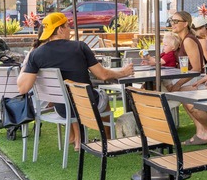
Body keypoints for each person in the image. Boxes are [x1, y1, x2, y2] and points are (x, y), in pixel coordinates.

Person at [17, 12, 134, 151]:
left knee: (75, 97)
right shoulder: (80, 47)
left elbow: (23, 88)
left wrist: (26, 65)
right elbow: (103, 75)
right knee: (103, 96)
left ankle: (78, 137)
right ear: (60, 30)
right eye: (67, 26)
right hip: (87, 105)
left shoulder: (36, 54)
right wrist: (123, 72)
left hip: (62, 109)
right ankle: (107, 140)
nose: (70, 30)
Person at [165, 11, 207, 145]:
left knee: (179, 92)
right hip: (188, 78)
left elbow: (196, 69)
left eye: (176, 21)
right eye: (172, 20)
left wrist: (178, 84)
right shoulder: (182, 40)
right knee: (170, 89)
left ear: (185, 24)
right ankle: (203, 131)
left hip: (196, 80)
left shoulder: (188, 40)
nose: (172, 23)